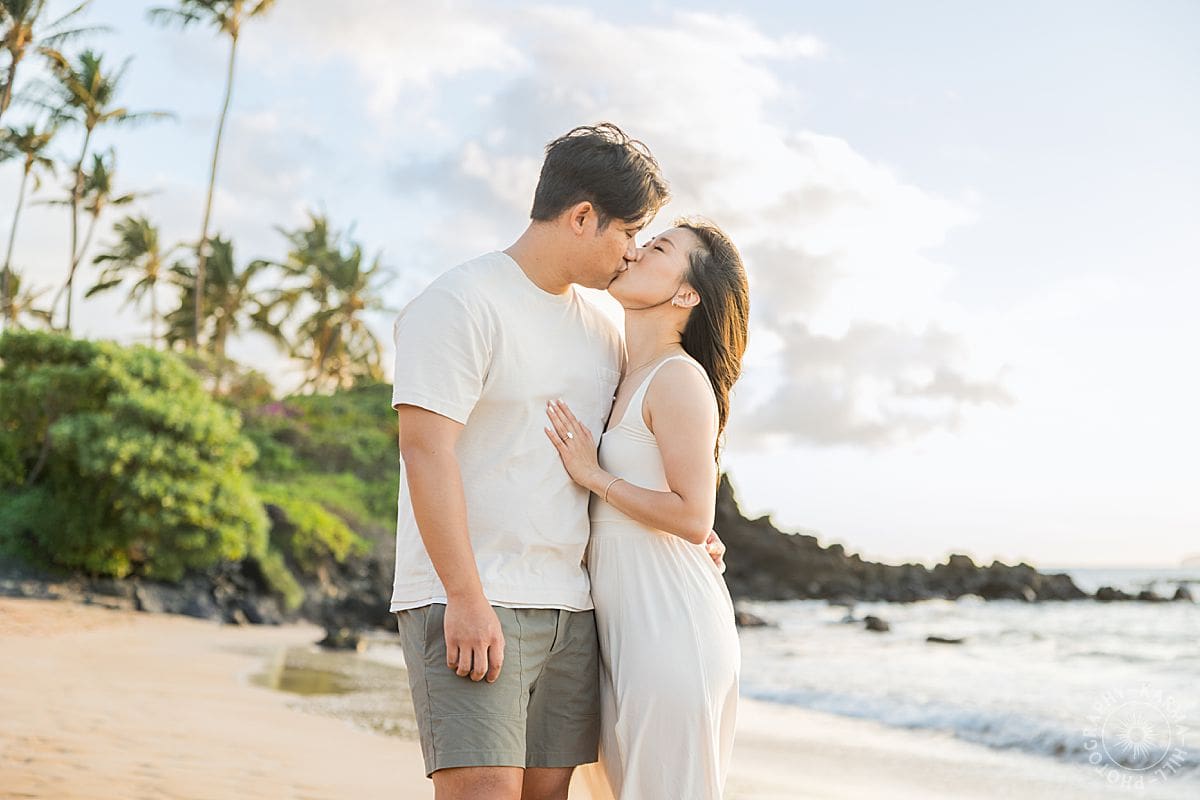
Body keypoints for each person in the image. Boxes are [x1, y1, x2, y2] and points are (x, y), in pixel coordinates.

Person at [388, 123, 726, 800]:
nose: (632, 254)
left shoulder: (605, 333)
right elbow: (425, 453)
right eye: (629, 233)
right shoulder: (460, 303)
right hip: (475, 601)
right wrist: (464, 597)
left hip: (573, 613)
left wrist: (689, 525)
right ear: (581, 218)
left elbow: (632, 450)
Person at [544, 218, 750, 799]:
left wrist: (595, 477)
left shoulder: (679, 378)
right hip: (626, 629)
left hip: (670, 630)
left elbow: (693, 518)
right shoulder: (616, 370)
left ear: (687, 294)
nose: (635, 251)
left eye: (658, 248)